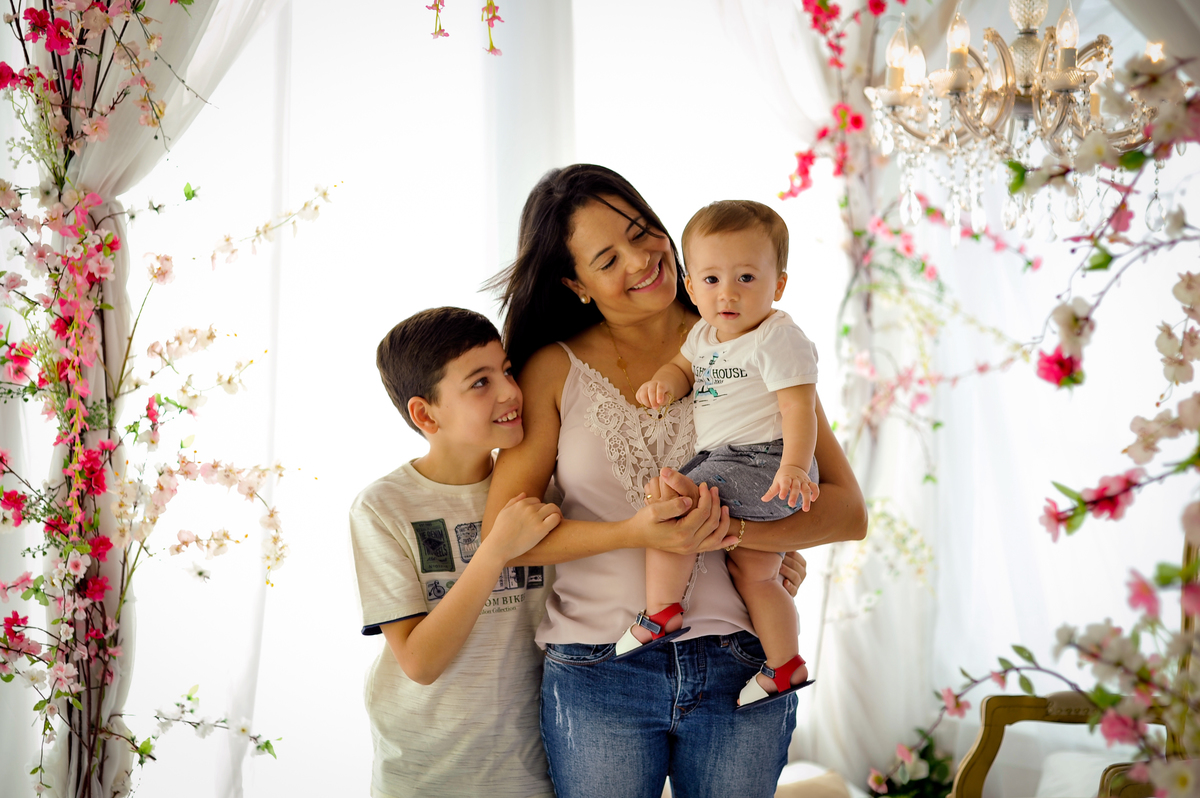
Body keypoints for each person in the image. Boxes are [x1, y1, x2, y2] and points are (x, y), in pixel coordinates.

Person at [483, 164, 868, 798]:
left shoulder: (751, 337)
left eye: (641, 232)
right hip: (600, 666)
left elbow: (848, 513)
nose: (641, 259)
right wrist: (636, 532)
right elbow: (508, 539)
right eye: (608, 258)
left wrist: (743, 534)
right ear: (575, 284)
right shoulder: (553, 369)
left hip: (741, 661)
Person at [349, 307, 561, 798]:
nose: (511, 392)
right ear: (426, 414)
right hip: (426, 773)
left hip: (532, 767)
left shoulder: (542, 490)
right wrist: (495, 550)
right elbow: (420, 662)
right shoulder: (382, 507)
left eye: (507, 371)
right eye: (480, 382)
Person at [622, 200, 820, 710]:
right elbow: (681, 368)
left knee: (670, 499)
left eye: (746, 277)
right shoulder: (703, 335)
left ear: (778, 284)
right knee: (756, 574)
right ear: (691, 288)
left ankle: (661, 610)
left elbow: (799, 408)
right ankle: (785, 664)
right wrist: (664, 383)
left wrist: (795, 467)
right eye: (711, 280)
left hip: (765, 462)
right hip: (732, 459)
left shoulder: (778, 337)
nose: (727, 293)